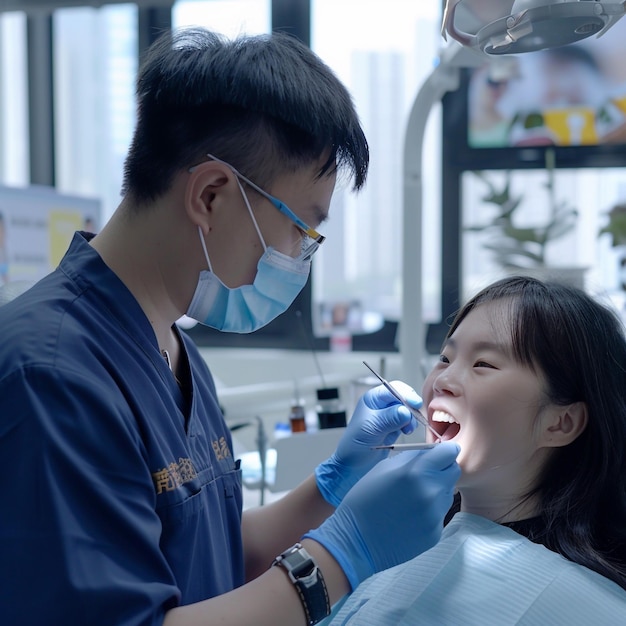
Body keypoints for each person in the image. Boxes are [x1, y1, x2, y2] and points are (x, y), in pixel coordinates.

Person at [0, 27, 461, 626]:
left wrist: (331, 489)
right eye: (302, 228)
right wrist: (345, 554)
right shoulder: (53, 376)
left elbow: (213, 554)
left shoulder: (174, 350)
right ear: (212, 195)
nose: (301, 256)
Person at [325, 276, 626, 624]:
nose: (442, 381)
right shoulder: (396, 542)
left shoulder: (588, 607)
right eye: (443, 358)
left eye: (483, 364)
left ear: (561, 423)